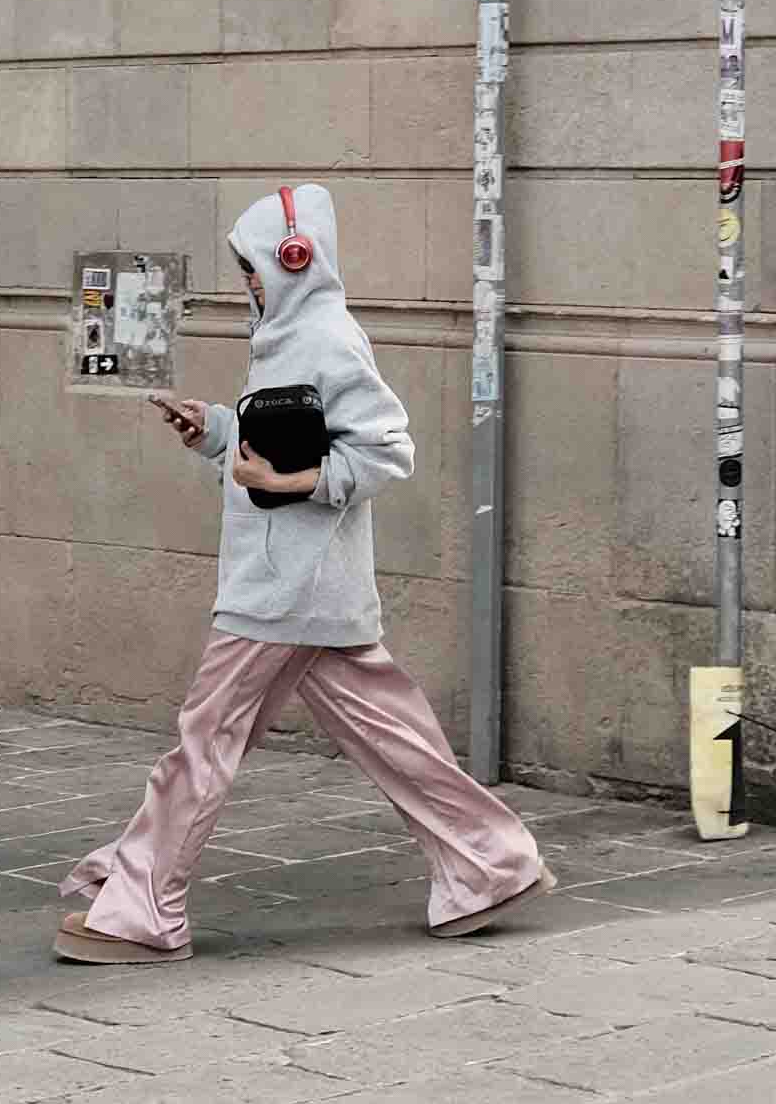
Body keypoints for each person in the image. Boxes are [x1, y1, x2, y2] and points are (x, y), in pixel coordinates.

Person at [55, 184, 554, 964]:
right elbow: (287, 438)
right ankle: (488, 863)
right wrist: (218, 430)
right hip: (310, 586)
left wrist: (296, 486)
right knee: (392, 735)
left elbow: (387, 449)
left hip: (284, 588)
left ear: (292, 262)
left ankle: (145, 907)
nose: (246, 281)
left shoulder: (324, 334)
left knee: (205, 738)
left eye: (252, 267)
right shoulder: (288, 334)